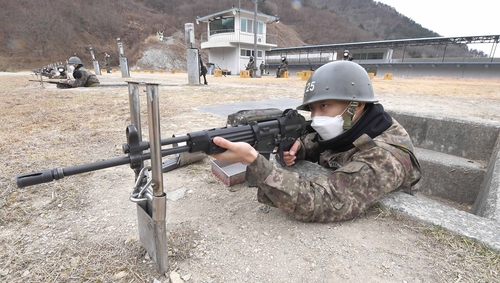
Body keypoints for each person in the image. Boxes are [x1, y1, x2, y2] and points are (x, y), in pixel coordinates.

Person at [210, 61, 421, 223]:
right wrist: (299, 147)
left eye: (325, 106)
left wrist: (255, 161)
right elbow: (323, 142)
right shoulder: (354, 125)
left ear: (356, 106)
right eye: (312, 109)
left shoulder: (386, 157)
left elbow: (325, 201)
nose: (316, 117)